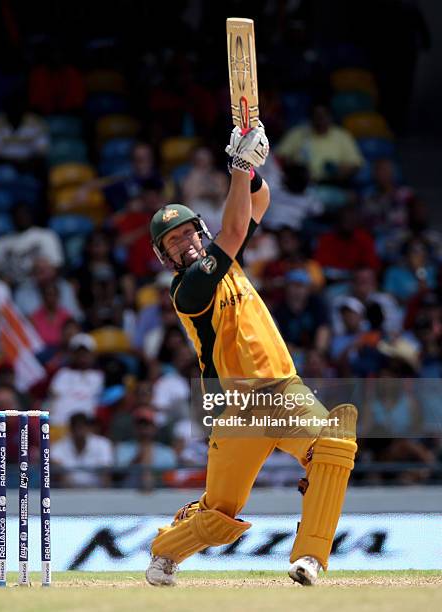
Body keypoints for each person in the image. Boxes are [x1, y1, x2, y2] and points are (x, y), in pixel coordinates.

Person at [146, 122, 357, 587]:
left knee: (335, 446)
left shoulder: (224, 259)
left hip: (283, 389)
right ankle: (165, 550)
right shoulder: (189, 289)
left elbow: (256, 205)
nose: (185, 241)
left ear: (200, 230)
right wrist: (239, 167)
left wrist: (253, 176)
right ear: (166, 258)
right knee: (221, 514)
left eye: (187, 232)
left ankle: (311, 559)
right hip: (237, 407)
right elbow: (238, 225)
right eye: (173, 242)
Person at [276, 101, 364, 185]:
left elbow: (355, 164)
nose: (320, 119)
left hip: (332, 185)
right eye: (316, 115)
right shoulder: (297, 134)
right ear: (310, 117)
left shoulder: (342, 136)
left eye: (324, 115)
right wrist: (292, 167)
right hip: (300, 185)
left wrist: (340, 171)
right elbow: (278, 157)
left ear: (330, 116)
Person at [51, 412, 114, 487]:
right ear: (71, 429)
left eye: (81, 427)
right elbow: (56, 466)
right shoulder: (58, 446)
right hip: (68, 491)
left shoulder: (103, 444)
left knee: (106, 473)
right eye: (76, 428)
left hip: (96, 491)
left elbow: (106, 470)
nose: (79, 432)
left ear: (88, 428)